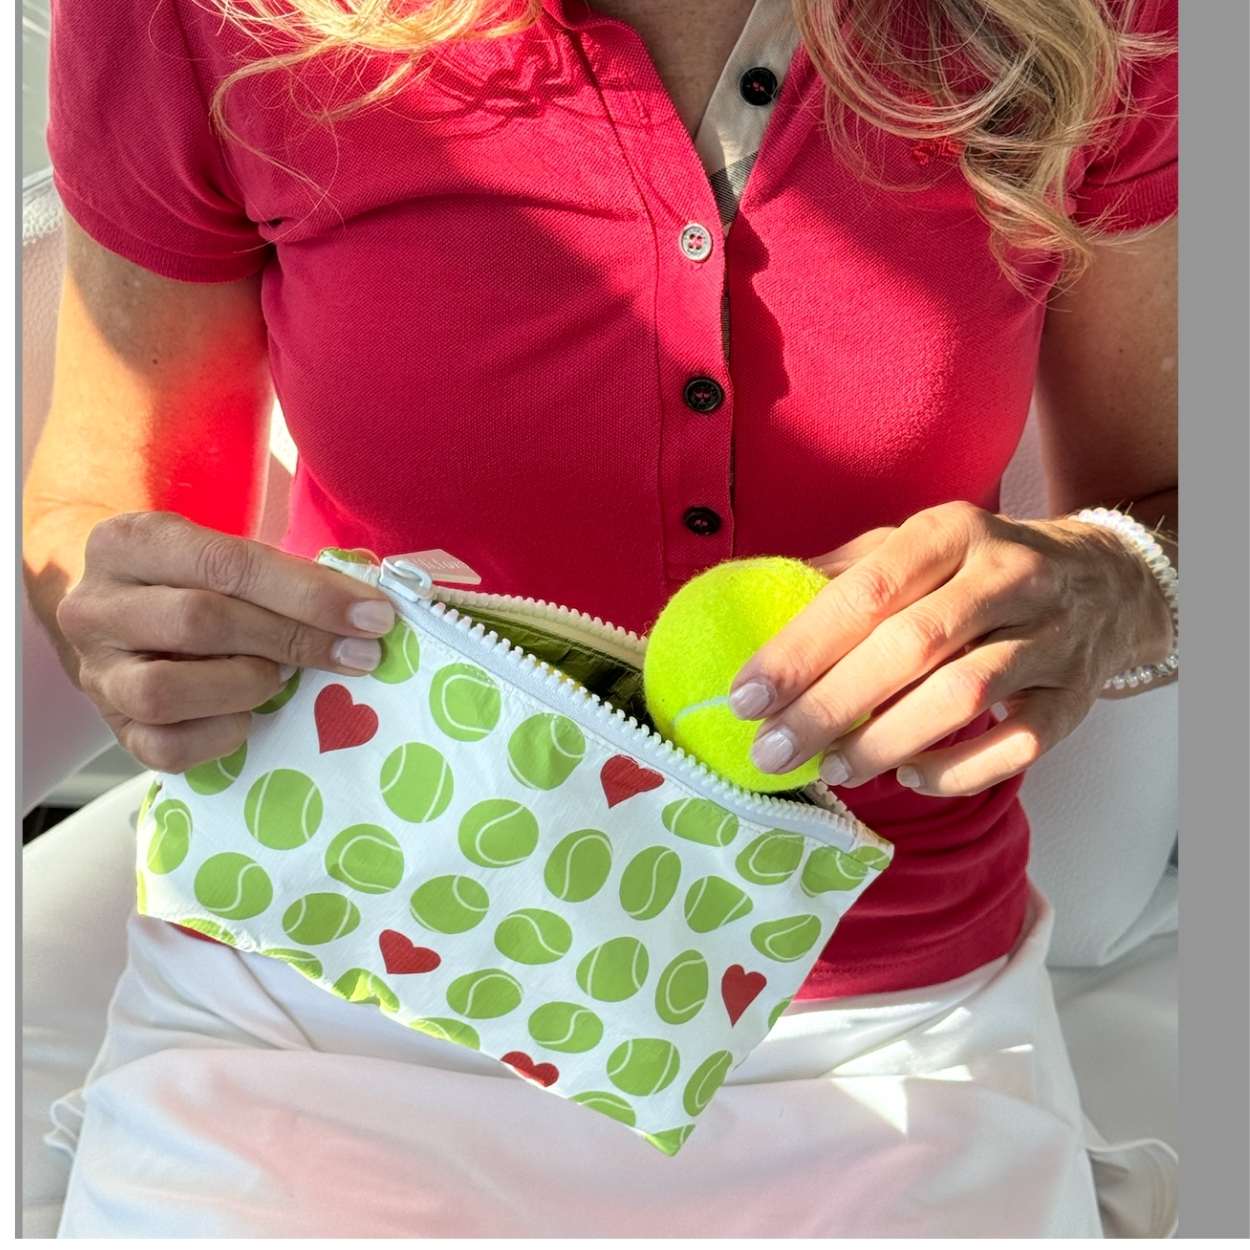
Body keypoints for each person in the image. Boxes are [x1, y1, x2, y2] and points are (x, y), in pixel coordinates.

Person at [25, 0, 1178, 1236]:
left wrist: (1115, 578)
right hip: (318, 972)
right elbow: (101, 500)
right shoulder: (190, 17)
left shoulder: (1101, 21)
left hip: (878, 1025)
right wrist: (124, 622)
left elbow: (1170, 501)